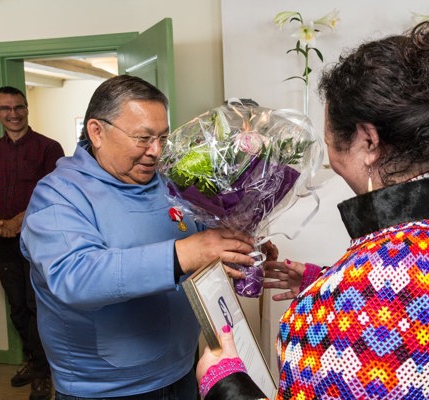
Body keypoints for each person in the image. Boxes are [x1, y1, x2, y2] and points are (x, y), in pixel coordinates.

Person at [195, 19, 429, 400]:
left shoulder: (343, 311)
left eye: (330, 141)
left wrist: (224, 382)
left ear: (368, 141)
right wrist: (330, 280)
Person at [20, 75, 260, 400]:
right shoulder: (58, 195)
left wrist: (235, 249)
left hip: (183, 370)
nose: (156, 151)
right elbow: (73, 277)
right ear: (97, 131)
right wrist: (182, 254)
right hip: (106, 390)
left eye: (163, 137)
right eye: (143, 138)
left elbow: (202, 242)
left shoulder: (170, 185)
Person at [0, 86, 64, 400]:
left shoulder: (49, 148)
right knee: (17, 308)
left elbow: (52, 196)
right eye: (5, 108)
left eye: (18, 107)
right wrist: (0, 223)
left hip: (39, 241)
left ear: (26, 108)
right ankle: (33, 360)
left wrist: (16, 222)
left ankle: (43, 373)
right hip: (3, 243)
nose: (13, 114)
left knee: (39, 307)